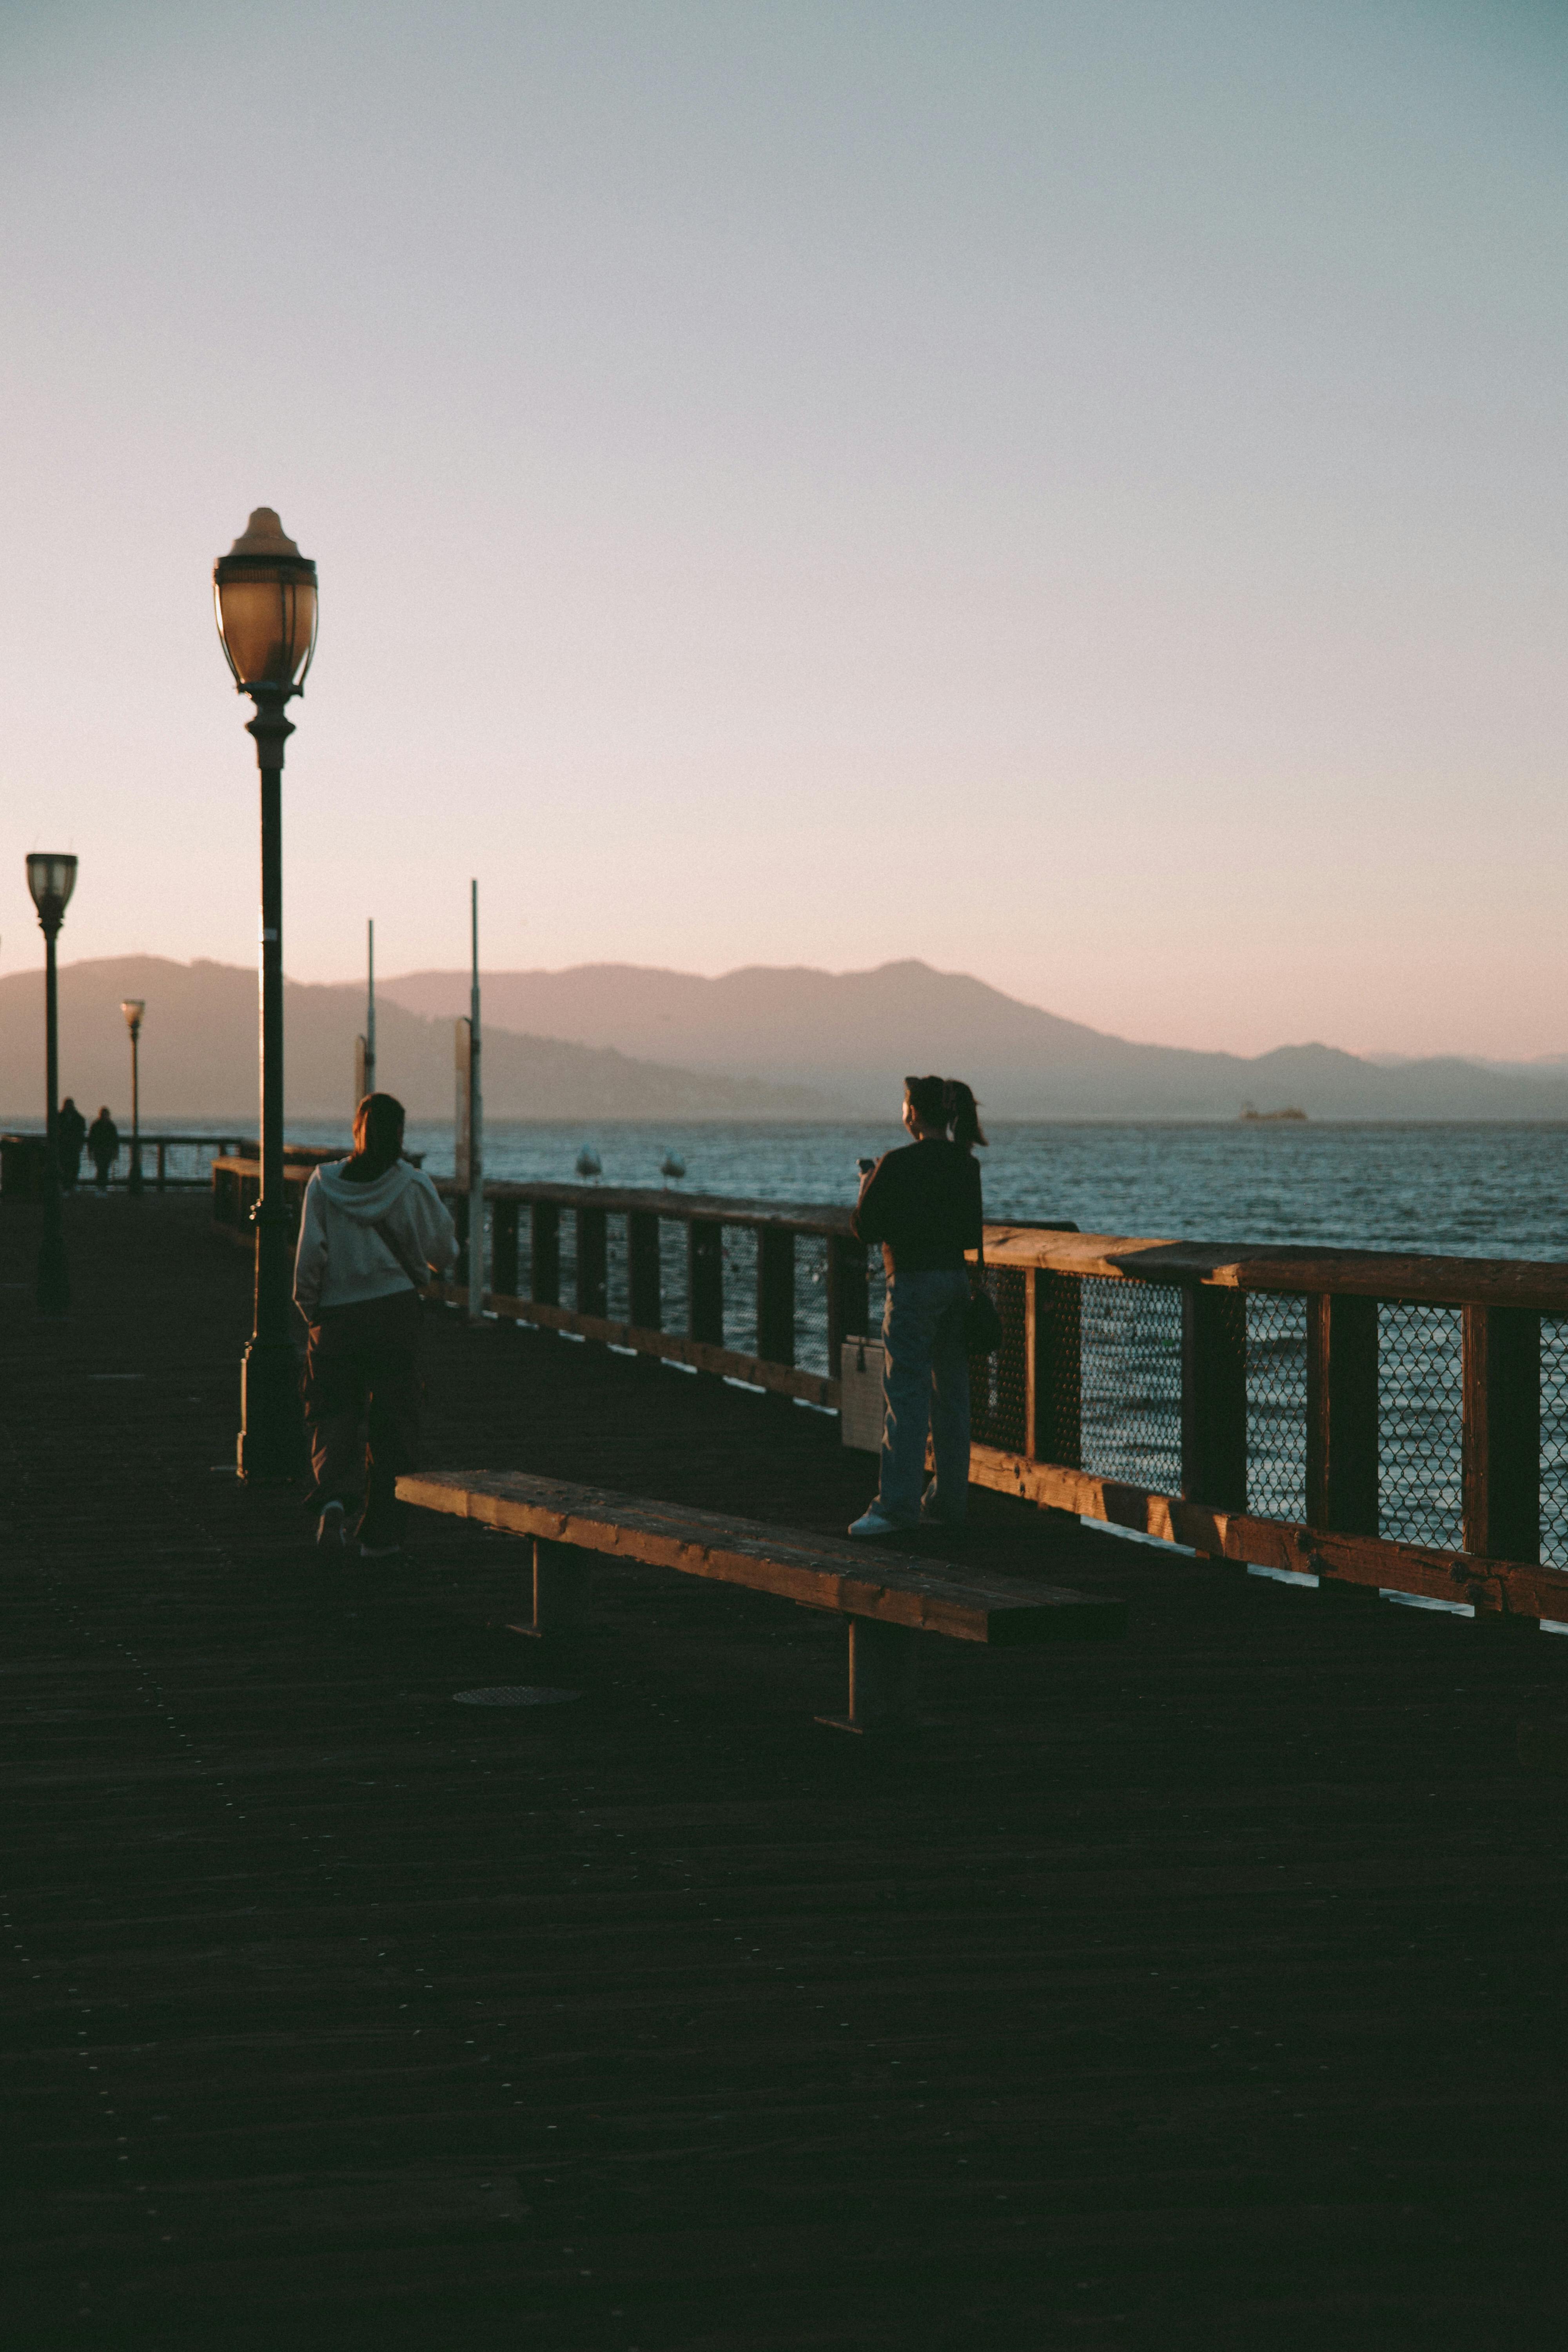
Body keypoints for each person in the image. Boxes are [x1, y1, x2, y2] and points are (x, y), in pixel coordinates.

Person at [293, 1093, 457, 1560]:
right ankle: (381, 1535)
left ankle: (332, 1499)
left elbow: (308, 1261)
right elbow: (443, 1252)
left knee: (334, 1415)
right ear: (400, 1135)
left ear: (357, 1130)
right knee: (393, 1424)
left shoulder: (323, 1185)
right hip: (393, 1315)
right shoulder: (412, 1184)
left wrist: (312, 1313)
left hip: (338, 1319)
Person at [846, 1074, 987, 1538]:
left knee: (904, 1398)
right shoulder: (965, 1165)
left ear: (912, 1113)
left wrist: (868, 1184)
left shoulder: (897, 1163)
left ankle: (895, 1508)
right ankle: (949, 1502)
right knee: (952, 1397)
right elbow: (969, 1234)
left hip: (911, 1285)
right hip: (953, 1282)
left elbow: (864, 1228)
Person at [57, 1097, 87, 1190]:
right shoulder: (62, 1117)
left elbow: (81, 1134)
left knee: (74, 1167)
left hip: (73, 1146)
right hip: (65, 1146)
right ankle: (67, 1186)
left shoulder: (78, 1118)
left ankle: (72, 1184)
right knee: (65, 1167)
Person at [87, 1107, 120, 1191]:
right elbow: (91, 1140)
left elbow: (115, 1141)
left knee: (105, 1169)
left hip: (107, 1151)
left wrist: (116, 1152)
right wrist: (90, 1151)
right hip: (99, 1151)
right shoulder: (98, 1125)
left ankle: (103, 1187)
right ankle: (100, 1187)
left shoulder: (110, 1126)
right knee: (101, 1169)